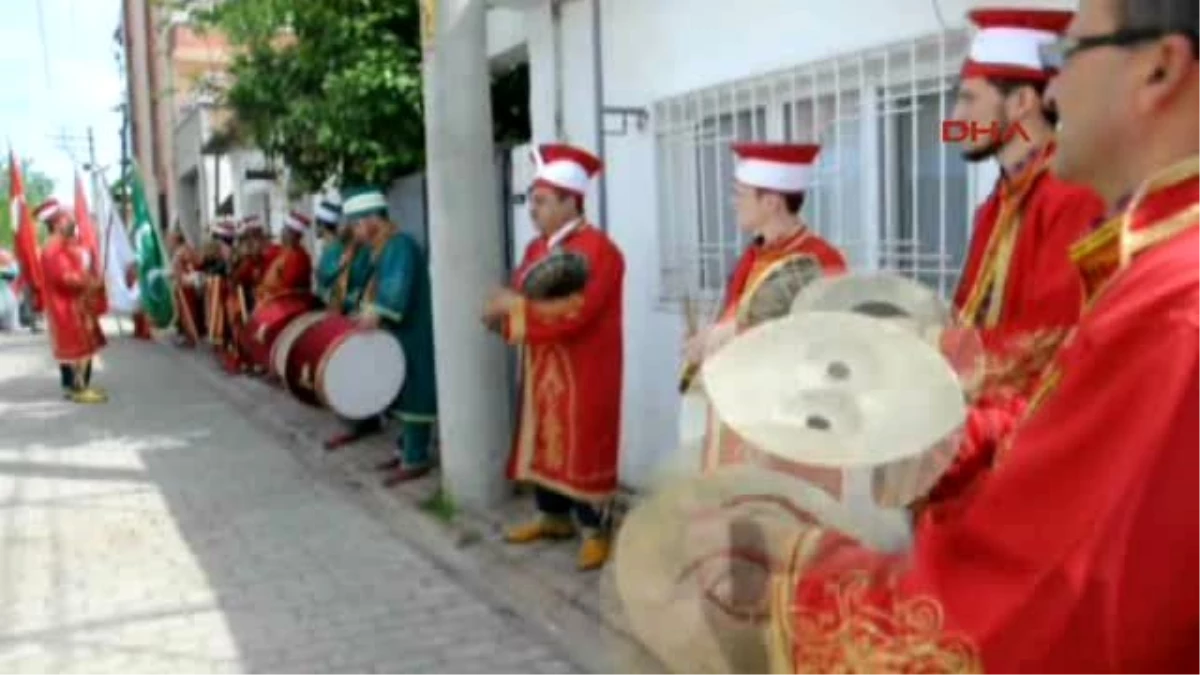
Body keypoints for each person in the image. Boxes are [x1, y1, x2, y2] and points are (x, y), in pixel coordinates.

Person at [742, 0, 1200, 670]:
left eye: (967, 96)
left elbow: (1044, 349)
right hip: (989, 457)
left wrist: (927, 380)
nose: (1059, 88)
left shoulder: (1105, 237)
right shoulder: (1002, 201)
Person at [918, 7, 1110, 519]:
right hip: (978, 442)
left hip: (1030, 459)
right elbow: (970, 314)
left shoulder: (1072, 196)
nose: (956, 120)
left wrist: (934, 354)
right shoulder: (997, 203)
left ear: (1023, 102)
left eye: (968, 100)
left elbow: (1047, 339)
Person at [483, 143, 625, 572]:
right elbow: (520, 295)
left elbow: (576, 312)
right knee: (544, 438)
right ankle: (552, 517)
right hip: (543, 363)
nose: (533, 210)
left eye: (542, 201)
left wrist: (513, 310)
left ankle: (595, 529)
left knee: (583, 442)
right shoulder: (535, 250)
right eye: (532, 200)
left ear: (570, 201)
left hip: (586, 366)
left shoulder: (600, 251)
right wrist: (499, 316)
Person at [681, 143, 848, 472]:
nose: (733, 203)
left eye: (741, 194)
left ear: (771, 202)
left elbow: (820, 346)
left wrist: (730, 335)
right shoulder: (754, 255)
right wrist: (705, 342)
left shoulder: (822, 261)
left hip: (784, 421)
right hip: (737, 407)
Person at [342, 187, 439, 485]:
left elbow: (395, 290)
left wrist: (377, 312)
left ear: (374, 219)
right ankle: (404, 451)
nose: (356, 231)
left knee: (414, 393)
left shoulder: (400, 245)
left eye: (358, 224)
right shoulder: (383, 248)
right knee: (400, 391)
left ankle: (416, 457)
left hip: (414, 330)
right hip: (400, 332)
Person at [318, 195, 387, 451]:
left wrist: (360, 300)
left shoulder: (369, 250)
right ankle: (353, 418)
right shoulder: (336, 250)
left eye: (354, 223)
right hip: (340, 313)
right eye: (348, 223)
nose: (351, 228)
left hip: (363, 315)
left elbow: (374, 278)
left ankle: (368, 417)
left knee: (364, 369)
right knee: (344, 369)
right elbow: (323, 277)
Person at [34, 198, 107, 403]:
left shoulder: (62, 246)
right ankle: (78, 389)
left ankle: (80, 386)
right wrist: (90, 282)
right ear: (57, 223)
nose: (72, 222)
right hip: (66, 307)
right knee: (78, 349)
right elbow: (64, 278)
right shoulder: (53, 249)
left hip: (75, 304)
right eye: (68, 219)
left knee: (84, 347)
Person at [256, 210, 313, 303]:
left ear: (292, 235)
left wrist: (267, 293)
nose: (281, 233)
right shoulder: (282, 251)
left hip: (283, 302)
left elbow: (288, 287)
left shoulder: (298, 257)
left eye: (284, 230)